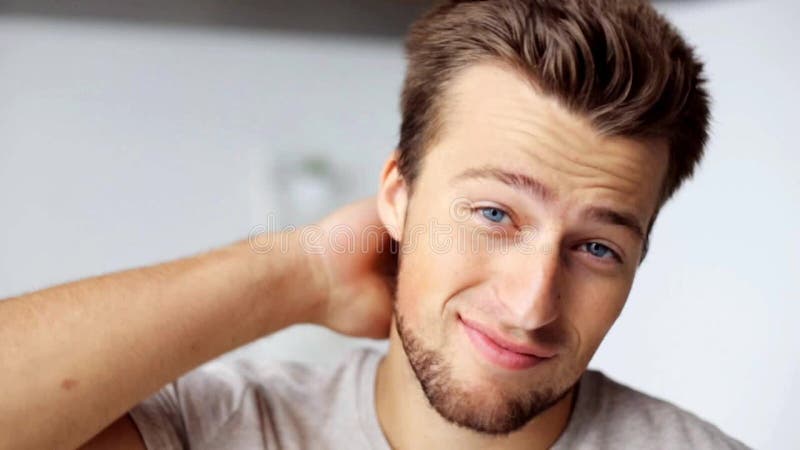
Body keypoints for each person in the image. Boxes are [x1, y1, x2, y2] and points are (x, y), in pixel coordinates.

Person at [0, 0, 750, 449]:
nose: (530, 307)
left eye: (597, 247)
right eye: (493, 213)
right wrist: (299, 272)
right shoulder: (229, 428)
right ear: (398, 192)